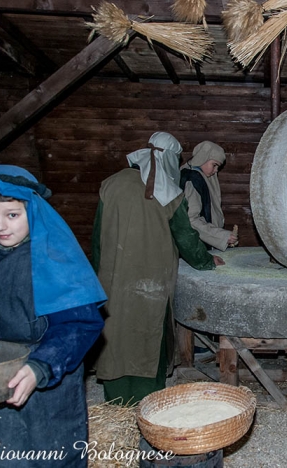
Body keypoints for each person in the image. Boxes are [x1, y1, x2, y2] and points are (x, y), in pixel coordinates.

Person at [0, 165, 106, 467]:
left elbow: (80, 324)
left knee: (45, 455)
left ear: (32, 211)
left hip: (43, 378)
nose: (0, 226)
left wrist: (41, 366)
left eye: (12, 214)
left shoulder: (53, 257)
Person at [92, 132, 223, 405]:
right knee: (148, 333)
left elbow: (97, 240)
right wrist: (206, 261)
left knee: (116, 330)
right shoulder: (170, 193)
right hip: (151, 282)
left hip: (113, 278)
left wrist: (96, 278)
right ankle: (147, 399)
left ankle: (116, 401)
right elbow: (186, 238)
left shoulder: (110, 184)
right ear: (171, 161)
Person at [179, 140, 238, 252]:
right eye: (214, 165)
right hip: (195, 246)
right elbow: (191, 220)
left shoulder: (200, 176)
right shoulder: (192, 180)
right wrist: (221, 236)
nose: (216, 171)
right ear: (203, 157)